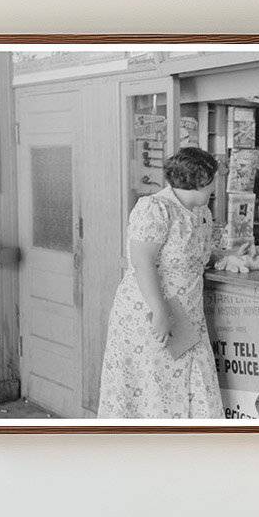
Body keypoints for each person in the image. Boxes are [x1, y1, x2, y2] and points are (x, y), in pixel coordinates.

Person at [98, 147, 224, 419]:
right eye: (212, 178)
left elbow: (192, 256)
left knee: (194, 383)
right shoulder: (154, 208)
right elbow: (142, 262)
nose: (215, 185)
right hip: (150, 316)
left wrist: (229, 259)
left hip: (189, 316)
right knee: (152, 388)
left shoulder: (202, 212)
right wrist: (160, 312)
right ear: (200, 179)